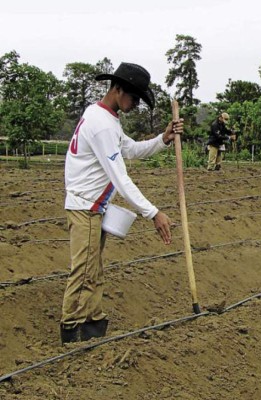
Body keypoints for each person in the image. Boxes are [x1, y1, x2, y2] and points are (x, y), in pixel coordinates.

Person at [60, 62, 183, 344]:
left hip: (92, 207)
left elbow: (130, 150)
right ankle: (73, 331)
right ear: (117, 89)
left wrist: (163, 139)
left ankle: (93, 322)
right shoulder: (102, 125)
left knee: (93, 268)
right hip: (85, 208)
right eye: (134, 97)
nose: (136, 104)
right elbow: (121, 178)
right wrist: (154, 213)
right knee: (84, 271)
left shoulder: (103, 117)